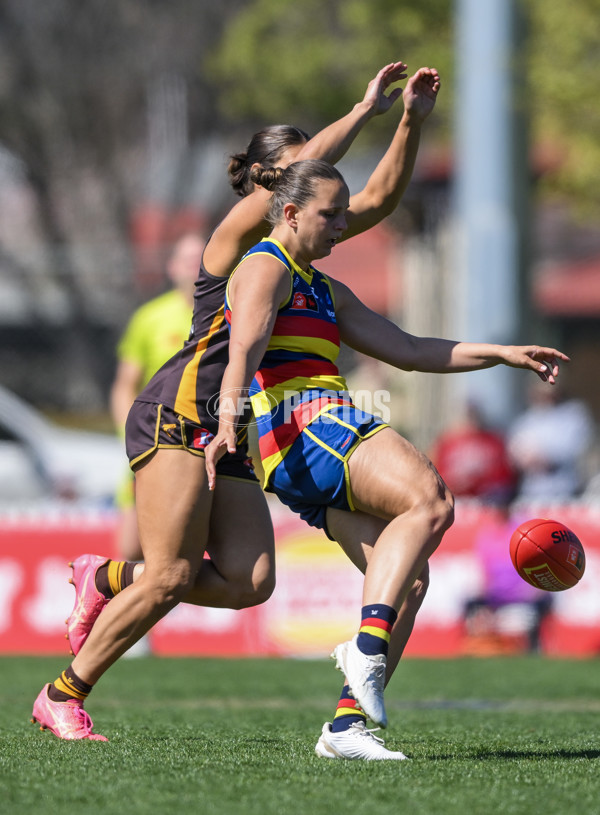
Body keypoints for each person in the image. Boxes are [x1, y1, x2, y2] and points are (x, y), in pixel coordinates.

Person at [31, 62, 442, 747]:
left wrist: (407, 123)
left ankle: (103, 575)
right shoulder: (234, 239)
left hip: (236, 427)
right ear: (268, 184)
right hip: (180, 412)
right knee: (169, 575)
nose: (318, 192)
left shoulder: (302, 250)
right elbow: (311, 171)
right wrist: (365, 107)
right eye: (297, 177)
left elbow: (378, 201)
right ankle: (62, 694)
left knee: (250, 582)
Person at [203, 159, 569, 760]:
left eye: (345, 212)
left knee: (411, 579)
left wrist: (502, 352)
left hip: (304, 445)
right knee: (431, 501)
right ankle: (367, 649)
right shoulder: (265, 266)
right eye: (331, 213)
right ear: (290, 213)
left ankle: (346, 728)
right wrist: (226, 423)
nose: (343, 224)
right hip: (306, 422)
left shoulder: (323, 288)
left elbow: (409, 349)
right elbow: (241, 348)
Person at [110, 231, 206, 561]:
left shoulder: (226, 315)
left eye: (201, 258)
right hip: (151, 441)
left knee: (184, 554)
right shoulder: (149, 318)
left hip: (200, 444)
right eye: (188, 259)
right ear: (172, 268)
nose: (195, 266)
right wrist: (130, 434)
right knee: (131, 551)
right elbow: (125, 384)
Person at [506, 380, 595, 502]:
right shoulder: (526, 420)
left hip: (566, 491)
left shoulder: (573, 414)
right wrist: (523, 459)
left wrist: (544, 457)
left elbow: (578, 448)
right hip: (532, 493)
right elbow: (513, 454)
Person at [429, 401, 517, 505]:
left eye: (473, 416)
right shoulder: (446, 442)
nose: (471, 420)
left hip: (486, 501)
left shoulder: (493, 441)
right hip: (454, 500)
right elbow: (434, 473)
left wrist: (480, 481)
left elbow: (505, 478)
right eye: (468, 416)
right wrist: (453, 481)